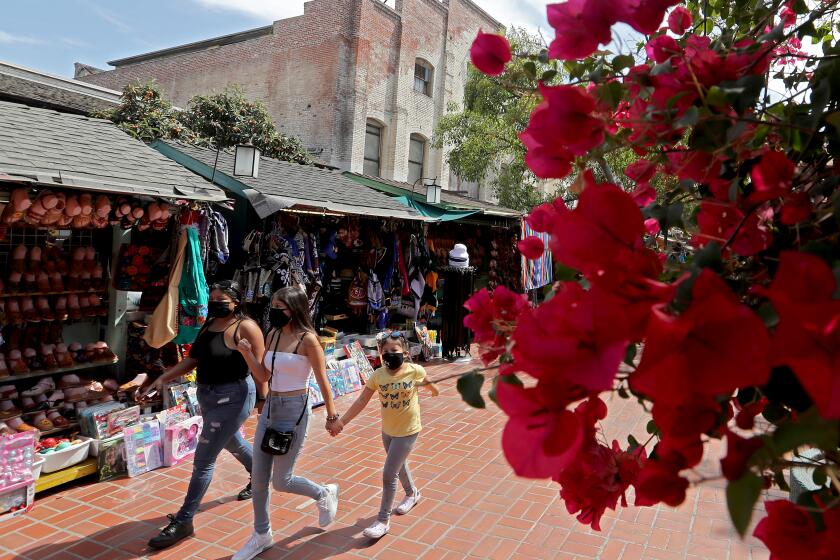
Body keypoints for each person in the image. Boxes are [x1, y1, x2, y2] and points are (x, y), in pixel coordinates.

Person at [141, 281, 265, 550]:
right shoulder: (209, 325)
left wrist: (264, 399)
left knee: (204, 460)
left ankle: (185, 520)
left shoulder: (246, 327)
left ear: (236, 301)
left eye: (222, 299)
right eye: (213, 299)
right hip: (207, 395)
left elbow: (261, 369)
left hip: (234, 397)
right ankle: (260, 475)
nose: (215, 303)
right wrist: (164, 377)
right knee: (232, 441)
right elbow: (194, 359)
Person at [231, 286, 342, 560]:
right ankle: (261, 534)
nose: (274, 312)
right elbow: (263, 375)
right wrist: (247, 354)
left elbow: (322, 380)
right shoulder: (273, 334)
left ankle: (323, 493)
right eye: (274, 306)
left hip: (295, 409)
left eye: (280, 307)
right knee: (258, 478)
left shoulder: (308, 340)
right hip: (271, 407)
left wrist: (331, 416)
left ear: (294, 308)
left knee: (282, 480)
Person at [331, 331, 439, 539]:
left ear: (405, 353)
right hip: (388, 431)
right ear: (380, 353)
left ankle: (382, 520)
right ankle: (412, 493)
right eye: (386, 351)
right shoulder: (377, 375)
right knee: (399, 464)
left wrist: (432, 388)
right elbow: (361, 401)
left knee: (389, 474)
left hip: (408, 431)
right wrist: (342, 422)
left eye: (395, 350)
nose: (390, 354)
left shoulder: (414, 370)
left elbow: (430, 385)